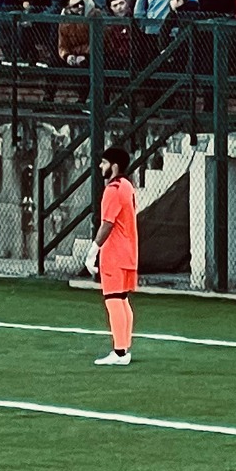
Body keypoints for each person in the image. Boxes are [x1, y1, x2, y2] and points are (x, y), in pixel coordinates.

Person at [84, 144, 140, 368]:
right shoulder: (127, 186)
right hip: (128, 251)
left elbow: (107, 223)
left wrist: (92, 251)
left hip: (115, 254)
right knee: (123, 300)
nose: (100, 166)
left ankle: (119, 351)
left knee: (114, 300)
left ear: (114, 166)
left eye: (104, 163)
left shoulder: (113, 189)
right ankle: (123, 348)